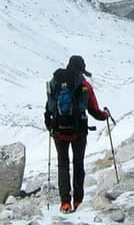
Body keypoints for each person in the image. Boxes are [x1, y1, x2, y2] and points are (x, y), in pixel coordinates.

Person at [45, 55, 109, 213]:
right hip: (78, 131)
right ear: (81, 70)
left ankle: (64, 203)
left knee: (63, 165)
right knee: (78, 164)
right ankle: (78, 201)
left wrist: (51, 126)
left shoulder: (55, 82)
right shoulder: (84, 85)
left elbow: (50, 107)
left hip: (59, 131)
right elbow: (94, 111)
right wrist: (105, 115)